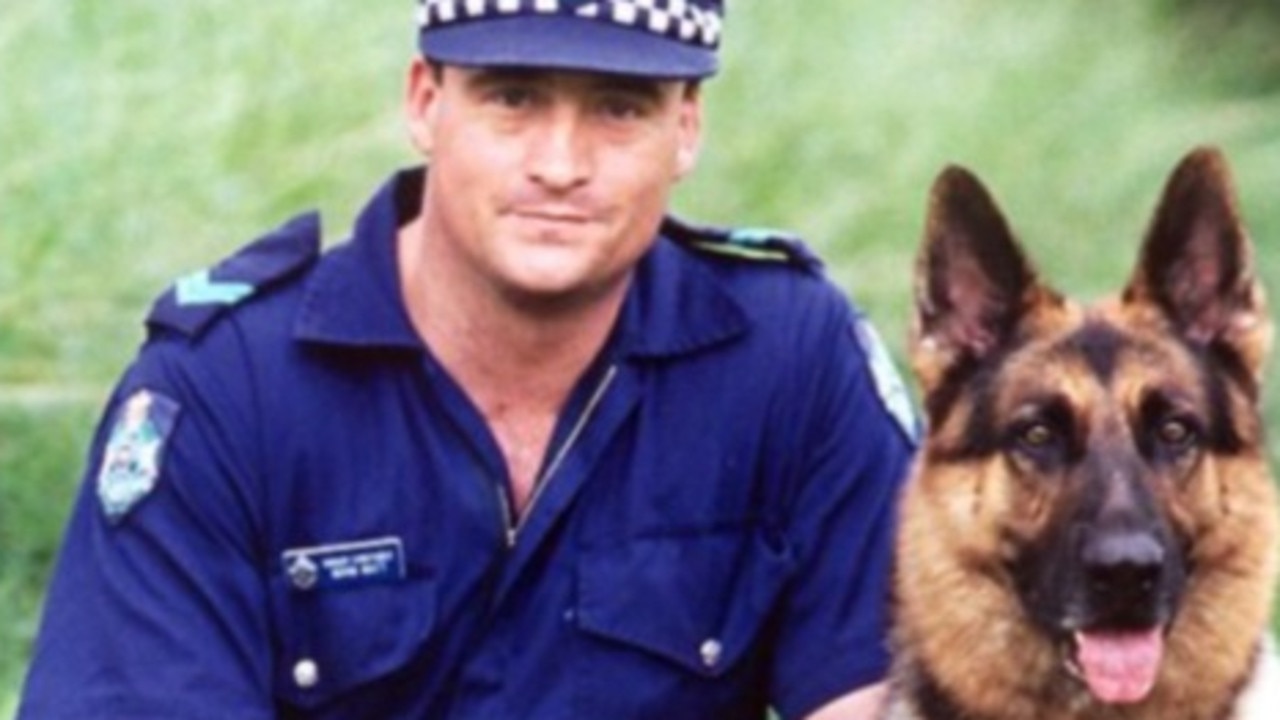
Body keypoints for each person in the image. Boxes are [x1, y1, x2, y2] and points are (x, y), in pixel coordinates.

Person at [19, 1, 917, 718]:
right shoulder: (227, 388)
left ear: (686, 129)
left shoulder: (794, 361)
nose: (561, 164)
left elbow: (881, 693)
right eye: (513, 97)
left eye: (618, 107)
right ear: (425, 102)